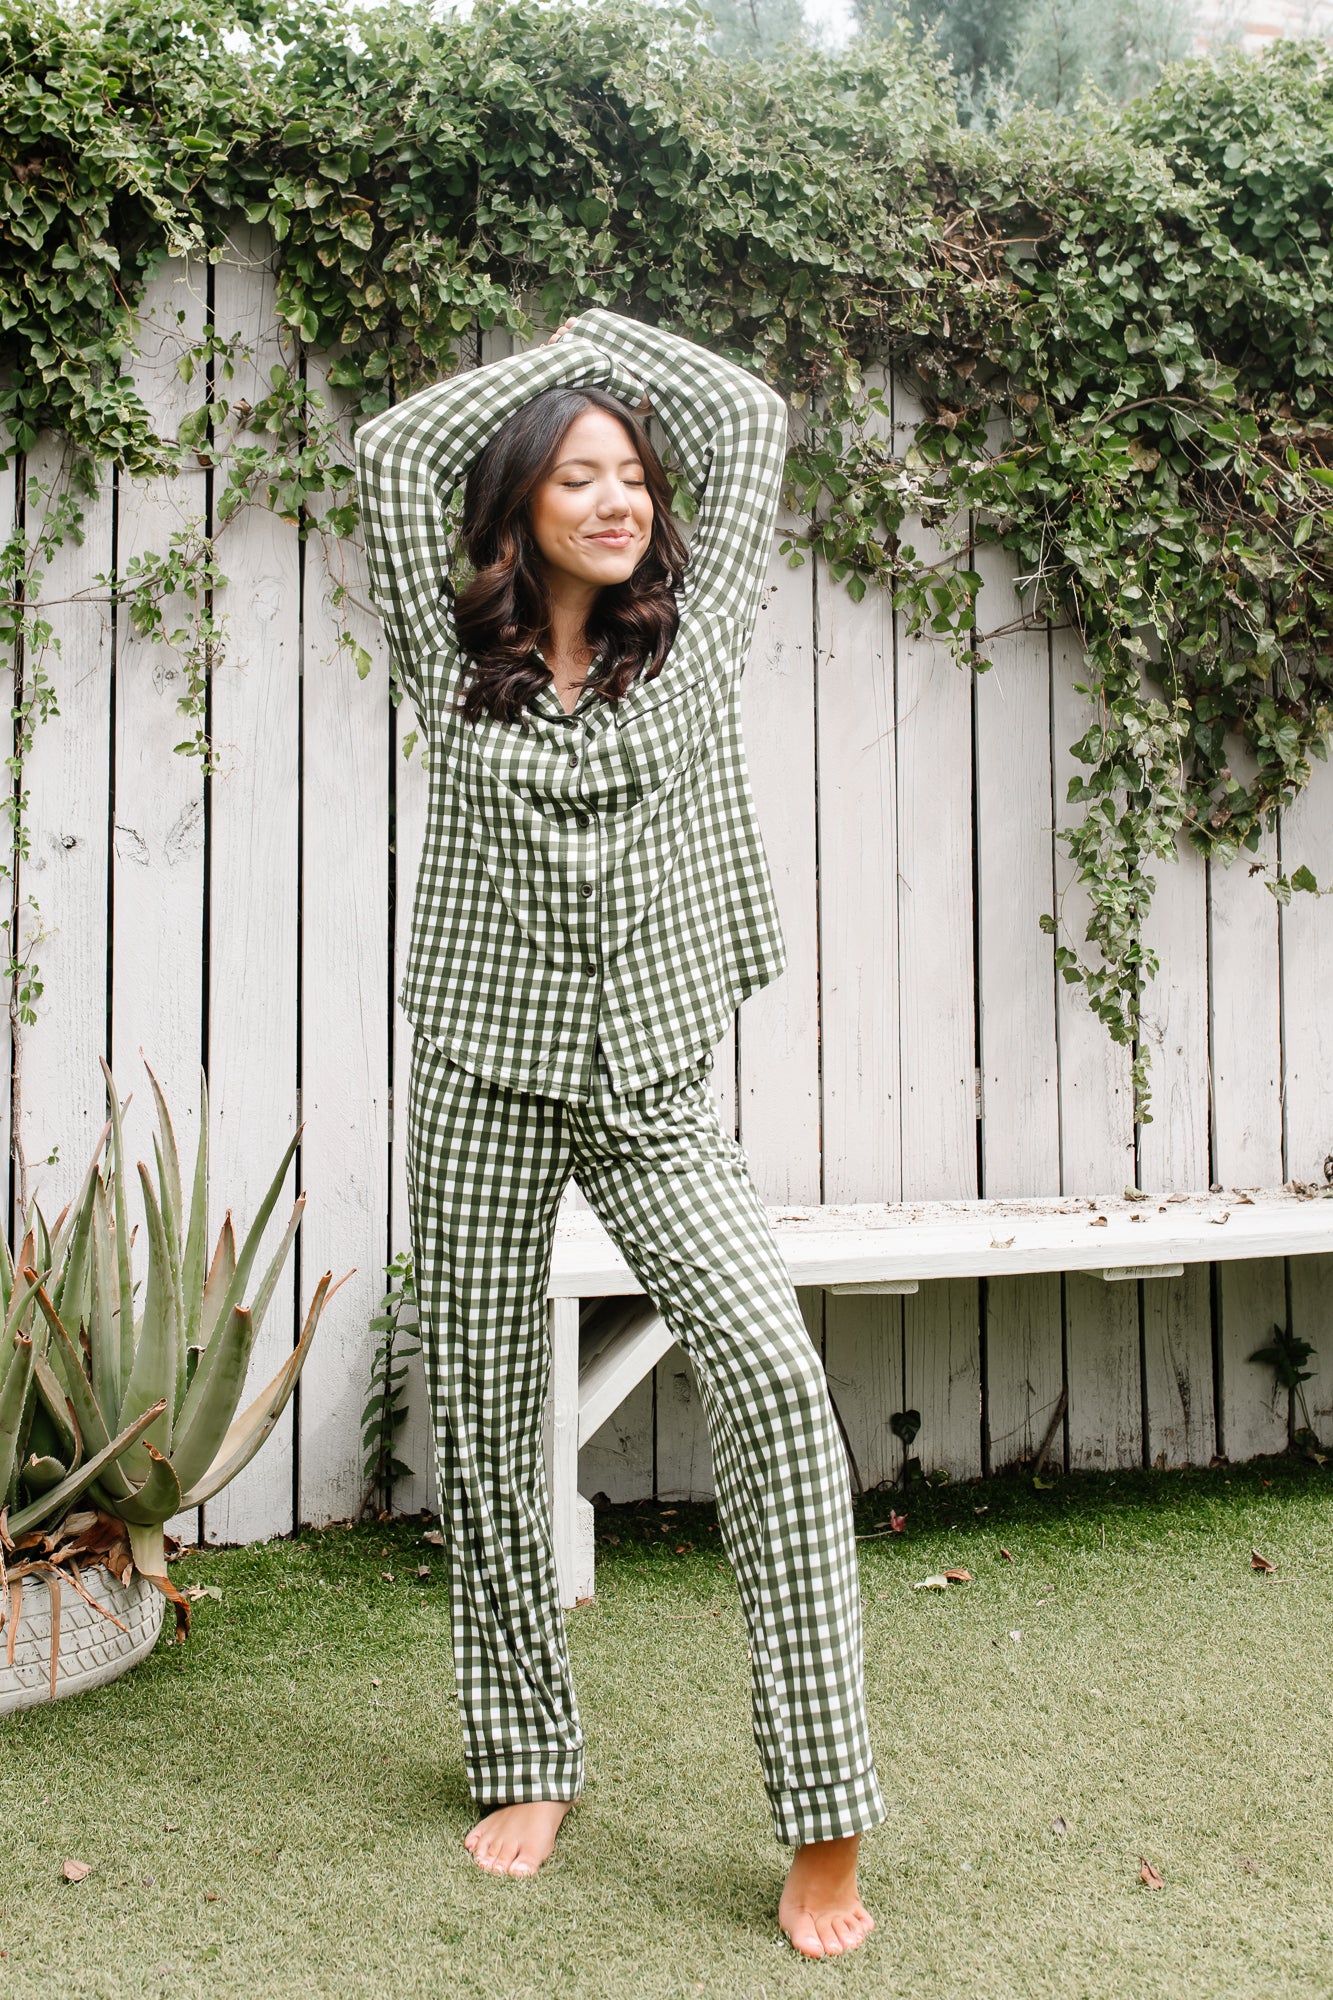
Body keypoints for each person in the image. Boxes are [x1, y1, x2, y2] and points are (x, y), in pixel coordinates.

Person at [355, 306, 885, 1959]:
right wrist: (562, 385)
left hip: (651, 1085)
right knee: (496, 1405)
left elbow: (743, 410)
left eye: (629, 475)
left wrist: (596, 338)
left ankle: (823, 1816)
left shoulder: (698, 630)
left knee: (778, 1383)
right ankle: (527, 1754)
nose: (615, 496)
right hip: (481, 1072)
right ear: (518, 501)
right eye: (576, 475)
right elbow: (389, 454)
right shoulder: (459, 662)